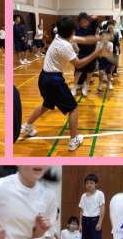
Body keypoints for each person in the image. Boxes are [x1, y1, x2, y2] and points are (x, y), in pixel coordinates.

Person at [20, 16, 104, 151]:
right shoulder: (65, 45)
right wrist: (95, 54)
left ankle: (27, 126)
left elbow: (83, 39)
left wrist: (98, 39)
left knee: (46, 104)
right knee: (73, 108)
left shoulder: (59, 37)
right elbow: (78, 64)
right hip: (54, 80)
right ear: (71, 31)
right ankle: (73, 140)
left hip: (44, 78)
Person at [79, 173, 109, 239]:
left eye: (91, 183)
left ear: (96, 184)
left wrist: (100, 222)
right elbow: (81, 211)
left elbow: (102, 208)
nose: (89, 185)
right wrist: (80, 224)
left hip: (95, 220)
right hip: (85, 220)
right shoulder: (83, 196)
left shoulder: (100, 194)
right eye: (87, 183)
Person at [71, 13, 99, 96]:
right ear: (79, 22)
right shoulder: (77, 30)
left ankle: (86, 86)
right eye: (82, 22)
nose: (84, 23)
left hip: (92, 53)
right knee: (79, 71)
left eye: (86, 21)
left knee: (90, 71)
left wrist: (94, 18)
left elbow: (94, 22)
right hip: (82, 53)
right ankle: (74, 86)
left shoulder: (92, 27)